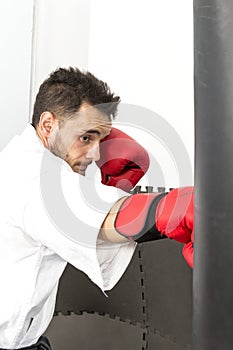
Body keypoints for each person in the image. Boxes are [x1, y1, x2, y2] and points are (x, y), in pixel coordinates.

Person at [0, 67, 194, 350]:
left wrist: (116, 186)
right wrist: (171, 207)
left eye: (101, 139)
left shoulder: (22, 157)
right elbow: (103, 219)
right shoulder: (35, 178)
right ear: (47, 125)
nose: (96, 154)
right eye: (87, 137)